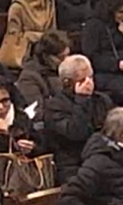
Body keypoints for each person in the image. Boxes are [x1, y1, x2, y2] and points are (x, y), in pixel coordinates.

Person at [41, 54, 111, 183]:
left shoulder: (101, 100)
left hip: (101, 158)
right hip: (73, 164)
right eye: (83, 80)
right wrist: (82, 100)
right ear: (67, 83)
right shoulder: (54, 106)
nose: (89, 83)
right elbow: (76, 132)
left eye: (91, 77)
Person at [0, 0, 56, 70]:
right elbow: (14, 34)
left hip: (47, 47)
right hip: (25, 50)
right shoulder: (17, 7)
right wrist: (34, 36)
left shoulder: (50, 5)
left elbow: (53, 29)